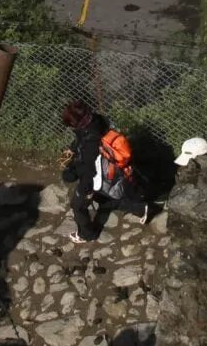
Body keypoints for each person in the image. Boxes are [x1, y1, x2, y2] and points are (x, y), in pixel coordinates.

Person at [59, 100, 147, 245]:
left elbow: (88, 170)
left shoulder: (90, 142)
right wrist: (73, 148)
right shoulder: (96, 120)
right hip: (105, 167)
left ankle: (87, 234)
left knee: (78, 206)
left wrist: (72, 173)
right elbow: (81, 140)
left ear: (77, 124)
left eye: (71, 125)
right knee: (105, 200)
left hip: (95, 175)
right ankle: (141, 208)